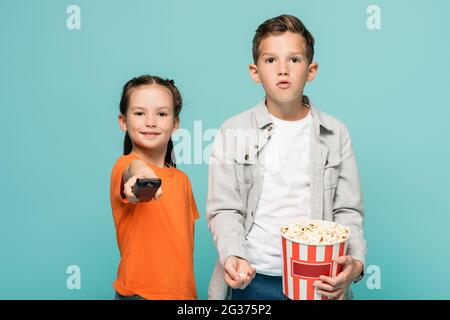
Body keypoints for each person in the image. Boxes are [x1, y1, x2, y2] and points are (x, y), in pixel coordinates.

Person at [206, 14, 366, 300]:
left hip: (320, 278)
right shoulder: (232, 131)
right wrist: (233, 255)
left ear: (311, 70)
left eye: (294, 59)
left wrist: (355, 264)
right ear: (255, 71)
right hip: (253, 278)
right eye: (270, 60)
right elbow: (225, 209)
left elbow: (347, 211)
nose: (283, 70)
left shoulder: (336, 133)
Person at [110, 75, 199, 300]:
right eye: (140, 113)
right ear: (123, 121)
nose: (151, 121)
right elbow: (134, 169)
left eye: (161, 114)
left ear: (175, 122)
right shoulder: (124, 166)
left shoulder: (182, 180)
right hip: (139, 295)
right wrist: (144, 176)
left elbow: (184, 248)